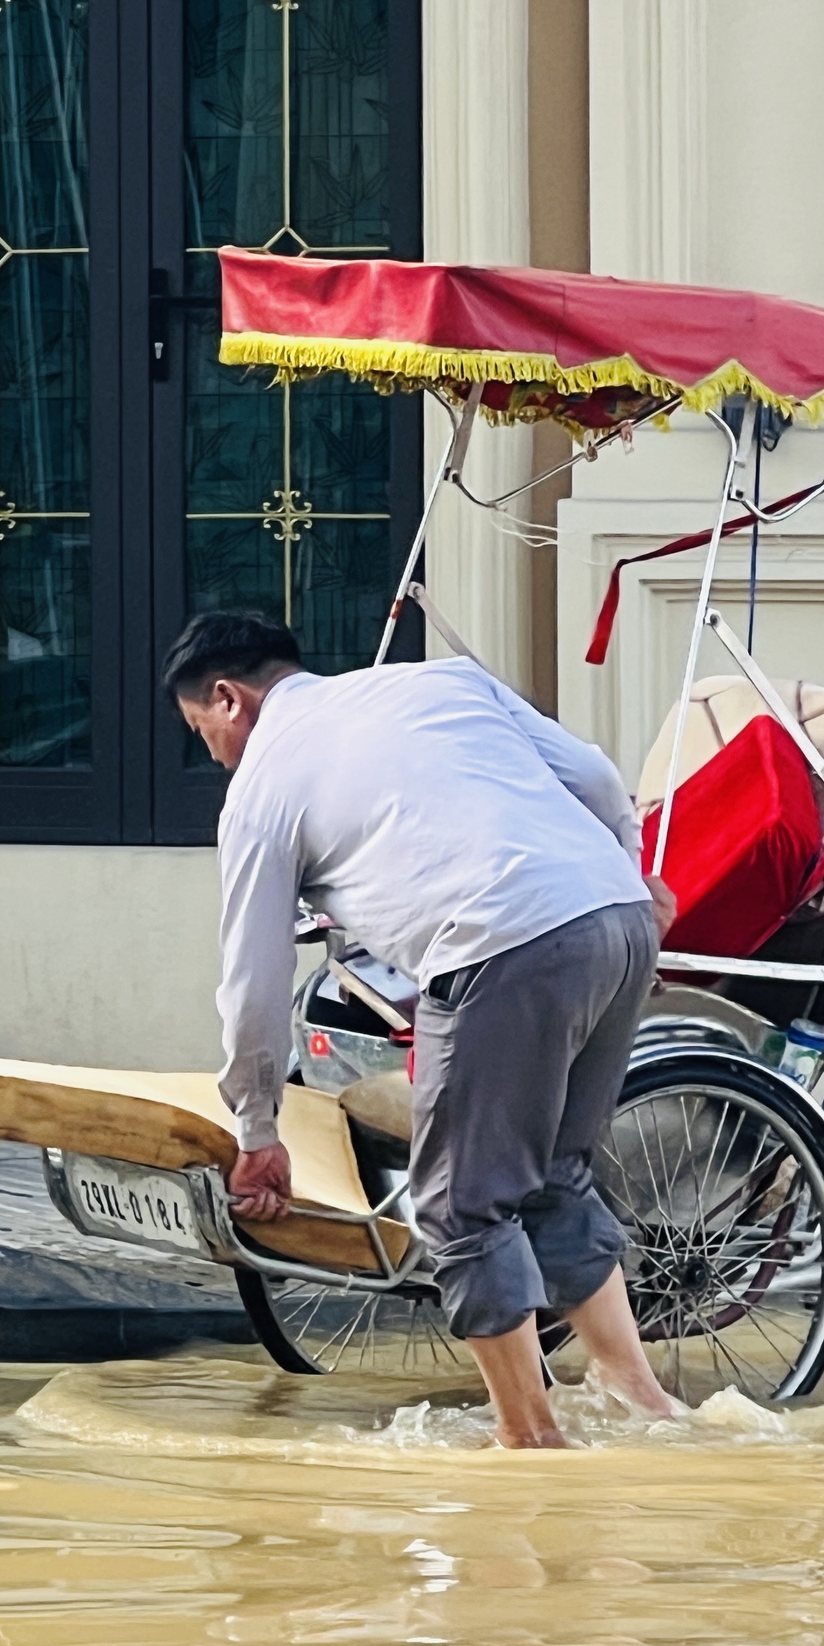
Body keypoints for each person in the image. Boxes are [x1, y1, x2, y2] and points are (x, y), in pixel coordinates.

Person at [168, 609, 687, 1448]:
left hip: (501, 946)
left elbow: (253, 985)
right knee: (555, 1175)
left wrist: (256, 1129)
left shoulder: (262, 787)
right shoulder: (437, 680)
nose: (214, 753)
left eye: (203, 733)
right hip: (618, 921)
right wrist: (632, 868)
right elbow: (593, 775)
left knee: (459, 1208)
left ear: (228, 699)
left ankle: (530, 1439)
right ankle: (642, 1399)